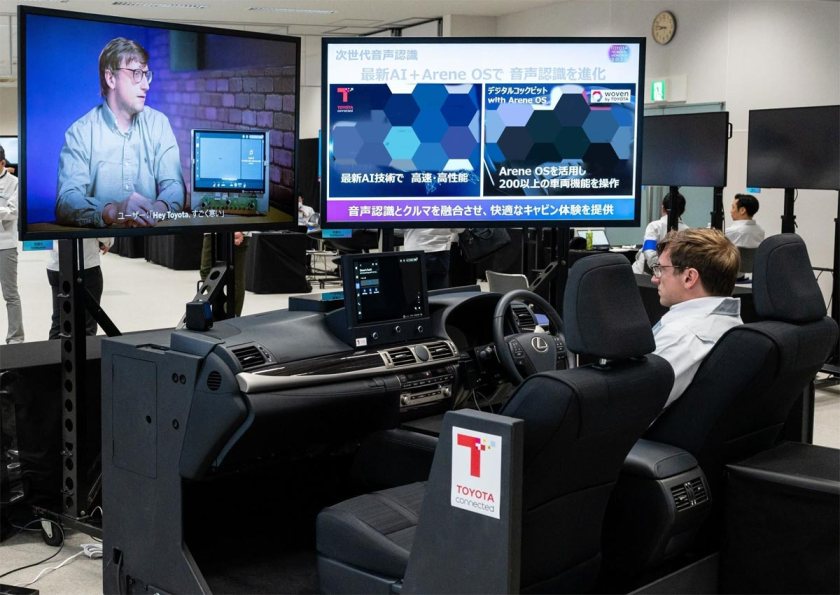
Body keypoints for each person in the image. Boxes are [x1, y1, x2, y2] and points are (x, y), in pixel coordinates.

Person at [56, 37, 184, 228]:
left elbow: (175, 186)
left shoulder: (158, 124)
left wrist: (155, 211)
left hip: (150, 236)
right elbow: (66, 201)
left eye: (146, 75)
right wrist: (113, 211)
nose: (146, 85)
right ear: (111, 78)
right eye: (136, 73)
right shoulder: (80, 132)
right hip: (101, 242)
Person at [651, 228, 742, 408]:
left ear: (689, 277)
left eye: (661, 269)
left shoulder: (681, 336)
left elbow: (629, 408)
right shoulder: (731, 323)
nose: (655, 279)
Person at [46, 237, 113, 339]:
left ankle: (54, 348)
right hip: (85, 264)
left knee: (59, 321)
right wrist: (107, 242)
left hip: (56, 264)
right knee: (87, 324)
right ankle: (86, 349)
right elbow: (101, 232)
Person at [632, 190, 688, 274]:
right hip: (673, 275)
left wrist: (659, 270)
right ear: (683, 210)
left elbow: (648, 249)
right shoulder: (688, 231)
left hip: (646, 275)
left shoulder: (654, 226)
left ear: (663, 207)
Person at [0, 144, 23, 343]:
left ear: (2, 162)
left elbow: (14, 212)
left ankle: (15, 338)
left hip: (5, 245)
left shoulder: (15, 183)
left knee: (10, 294)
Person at [199, 232, 248, 316]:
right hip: (211, 230)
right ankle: (220, 309)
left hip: (235, 230)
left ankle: (232, 314)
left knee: (235, 276)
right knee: (206, 271)